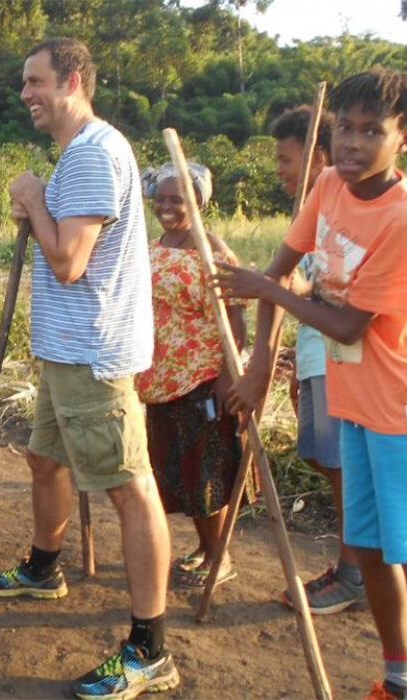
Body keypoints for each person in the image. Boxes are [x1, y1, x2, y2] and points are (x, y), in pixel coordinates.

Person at [0, 38, 179, 698]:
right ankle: (43, 568)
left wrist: (33, 199)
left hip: (94, 355)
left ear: (72, 80)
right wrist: (37, 204)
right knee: (45, 460)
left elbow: (69, 262)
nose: (26, 94)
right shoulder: (79, 155)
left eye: (35, 82)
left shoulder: (91, 153)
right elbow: (63, 245)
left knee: (128, 487)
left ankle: (150, 648)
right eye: (24, 83)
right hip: (66, 350)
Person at [216, 70, 407, 700]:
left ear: (401, 137)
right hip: (355, 403)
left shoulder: (401, 219)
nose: (351, 143)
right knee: (372, 550)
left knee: (397, 548)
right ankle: (397, 676)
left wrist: (269, 289)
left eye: (370, 131)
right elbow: (277, 271)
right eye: (343, 129)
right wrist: (258, 368)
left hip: (397, 411)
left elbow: (348, 320)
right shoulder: (327, 184)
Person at [271, 105, 366, 614]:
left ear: (318, 157)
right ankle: (357, 568)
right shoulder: (313, 213)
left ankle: (354, 574)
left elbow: (336, 294)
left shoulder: (347, 210)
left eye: (287, 159)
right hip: (317, 354)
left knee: (342, 466)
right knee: (323, 459)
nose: (281, 171)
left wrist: (292, 289)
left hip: (342, 356)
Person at [136, 163, 246, 589]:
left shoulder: (212, 248)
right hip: (160, 380)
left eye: (176, 200)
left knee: (206, 473)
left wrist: (226, 372)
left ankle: (221, 557)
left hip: (200, 376)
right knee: (180, 472)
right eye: (160, 199)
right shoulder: (152, 246)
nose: (166, 207)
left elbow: (235, 317)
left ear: (197, 201)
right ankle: (203, 550)